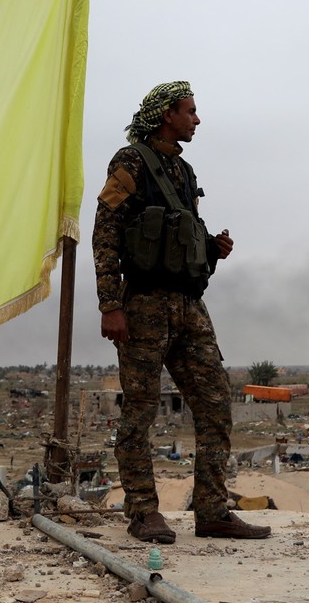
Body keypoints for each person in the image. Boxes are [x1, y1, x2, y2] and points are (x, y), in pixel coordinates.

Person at [94, 81, 270, 544]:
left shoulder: (185, 172)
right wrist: (110, 305)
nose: (197, 119)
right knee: (140, 411)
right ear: (166, 114)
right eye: (190, 111)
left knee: (215, 405)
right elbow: (106, 232)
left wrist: (212, 248)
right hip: (145, 306)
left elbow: (177, 237)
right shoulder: (130, 162)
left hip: (190, 308)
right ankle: (143, 512)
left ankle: (212, 510)